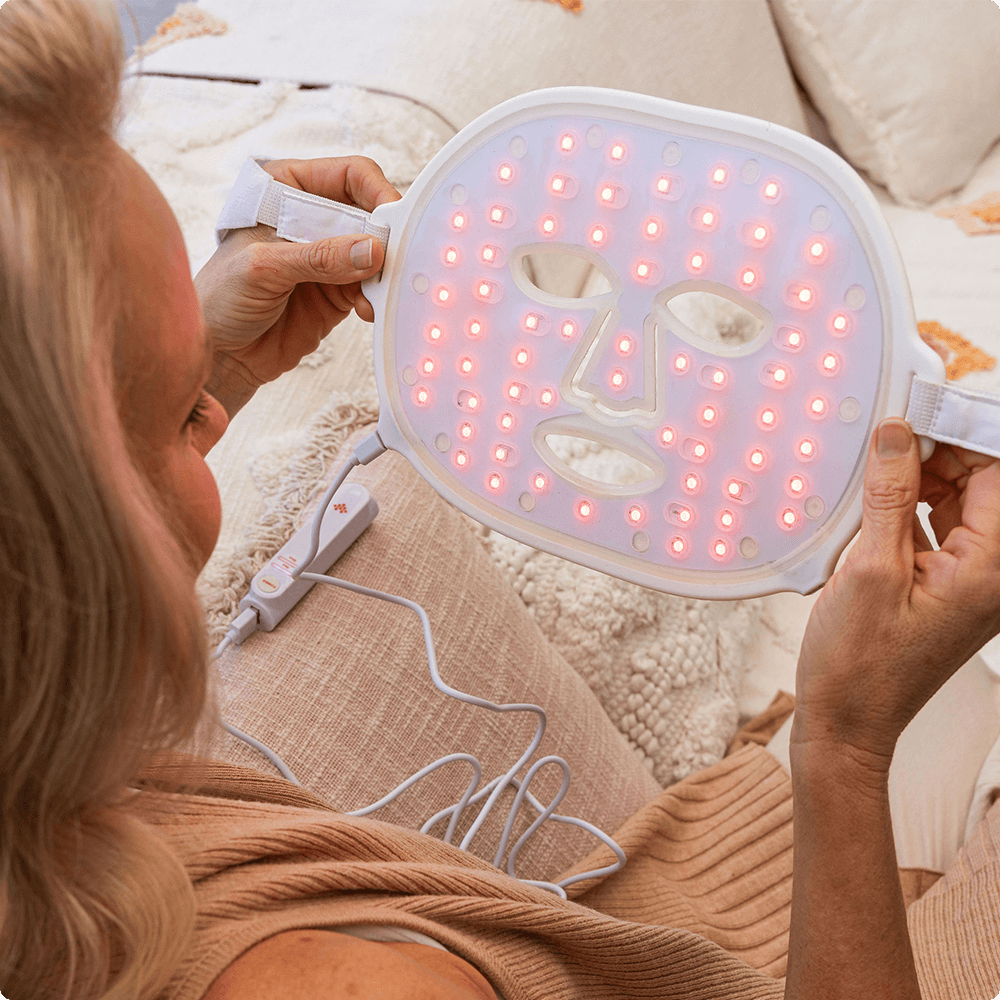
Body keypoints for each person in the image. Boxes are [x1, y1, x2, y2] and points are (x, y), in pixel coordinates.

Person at [2, 2, 999, 999]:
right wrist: (845, 743)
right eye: (187, 415)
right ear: (63, 539)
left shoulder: (43, 762)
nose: (219, 418)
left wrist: (194, 366)